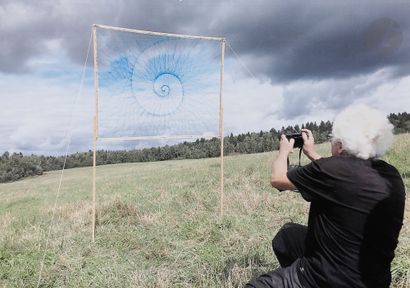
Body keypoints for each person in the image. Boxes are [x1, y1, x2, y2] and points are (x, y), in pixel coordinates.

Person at [245, 104, 405, 288]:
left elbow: (277, 179)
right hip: (374, 280)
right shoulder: (390, 174)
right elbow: (343, 175)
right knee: (287, 236)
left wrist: (284, 151)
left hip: (326, 280)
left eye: (333, 139)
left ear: (341, 145)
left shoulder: (332, 170)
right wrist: (311, 153)